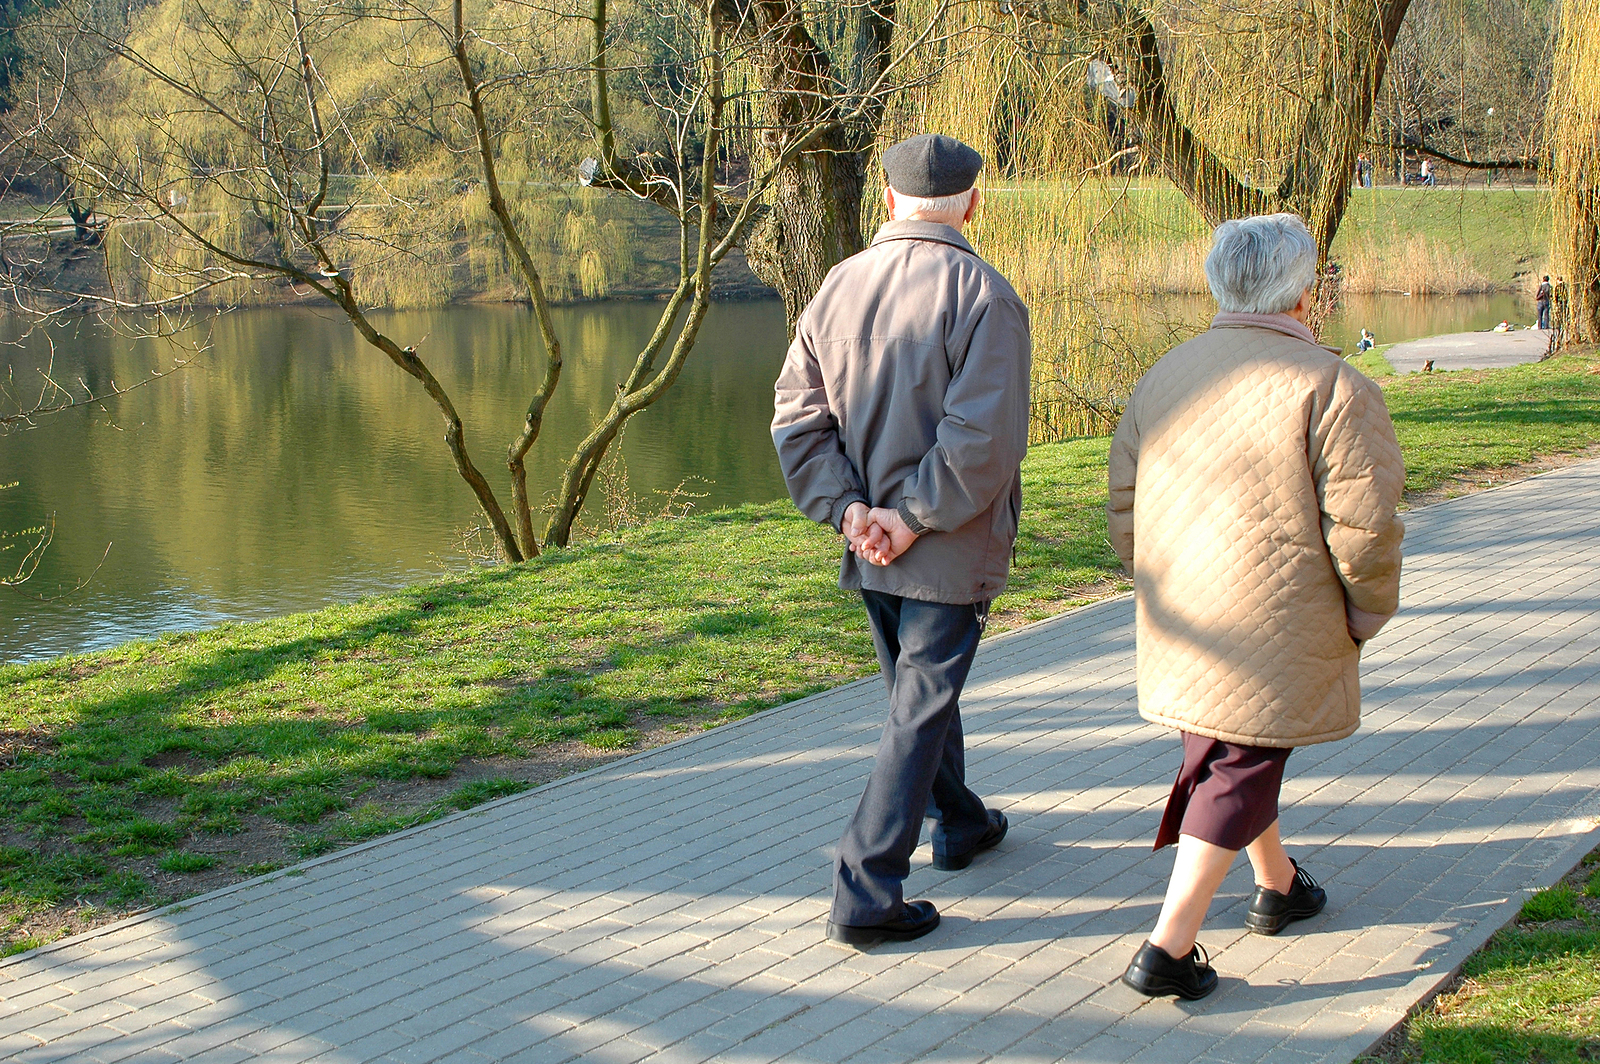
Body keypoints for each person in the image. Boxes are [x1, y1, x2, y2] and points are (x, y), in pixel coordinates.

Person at [1107, 213, 1406, 999]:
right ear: (1304, 293)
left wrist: (1152, 579)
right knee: (1239, 764)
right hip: (1281, 616)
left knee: (1232, 748)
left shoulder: (1167, 372)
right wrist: (1367, 612)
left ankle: (1277, 884)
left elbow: (1124, 499)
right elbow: (1367, 525)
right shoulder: (1333, 385)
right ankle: (1167, 950)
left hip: (1185, 611)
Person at [771, 133, 1031, 947]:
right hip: (943, 545)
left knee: (917, 700)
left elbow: (798, 419)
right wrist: (909, 518)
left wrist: (850, 512)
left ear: (887, 199)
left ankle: (962, 821)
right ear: (973, 204)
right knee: (916, 711)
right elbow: (982, 440)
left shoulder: (837, 286)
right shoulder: (985, 295)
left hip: (871, 543)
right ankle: (866, 888)